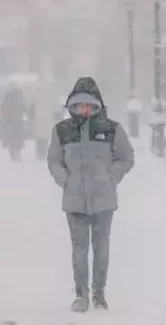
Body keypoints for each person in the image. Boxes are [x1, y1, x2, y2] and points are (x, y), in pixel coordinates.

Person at [46, 77, 135, 313]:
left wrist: (111, 177)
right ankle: (81, 294)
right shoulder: (62, 131)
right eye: (79, 105)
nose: (84, 109)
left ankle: (99, 293)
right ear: (72, 106)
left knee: (101, 248)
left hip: (103, 200)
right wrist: (65, 180)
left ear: (97, 105)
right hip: (74, 200)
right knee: (79, 249)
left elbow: (126, 158)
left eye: (89, 105)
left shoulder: (111, 129)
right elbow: (54, 160)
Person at [28, 80, 61, 160]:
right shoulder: (51, 93)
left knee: (39, 136)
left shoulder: (35, 92)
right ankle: (43, 152)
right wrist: (56, 114)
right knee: (45, 137)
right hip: (47, 116)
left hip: (38, 116)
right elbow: (55, 105)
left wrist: (31, 115)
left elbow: (31, 105)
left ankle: (39, 152)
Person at [0, 84, 27, 160]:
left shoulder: (7, 97)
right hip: (18, 120)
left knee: (10, 138)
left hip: (9, 121)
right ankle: (17, 154)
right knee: (17, 137)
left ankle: (13, 154)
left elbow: (3, 109)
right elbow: (24, 108)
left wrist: (5, 117)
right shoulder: (20, 97)